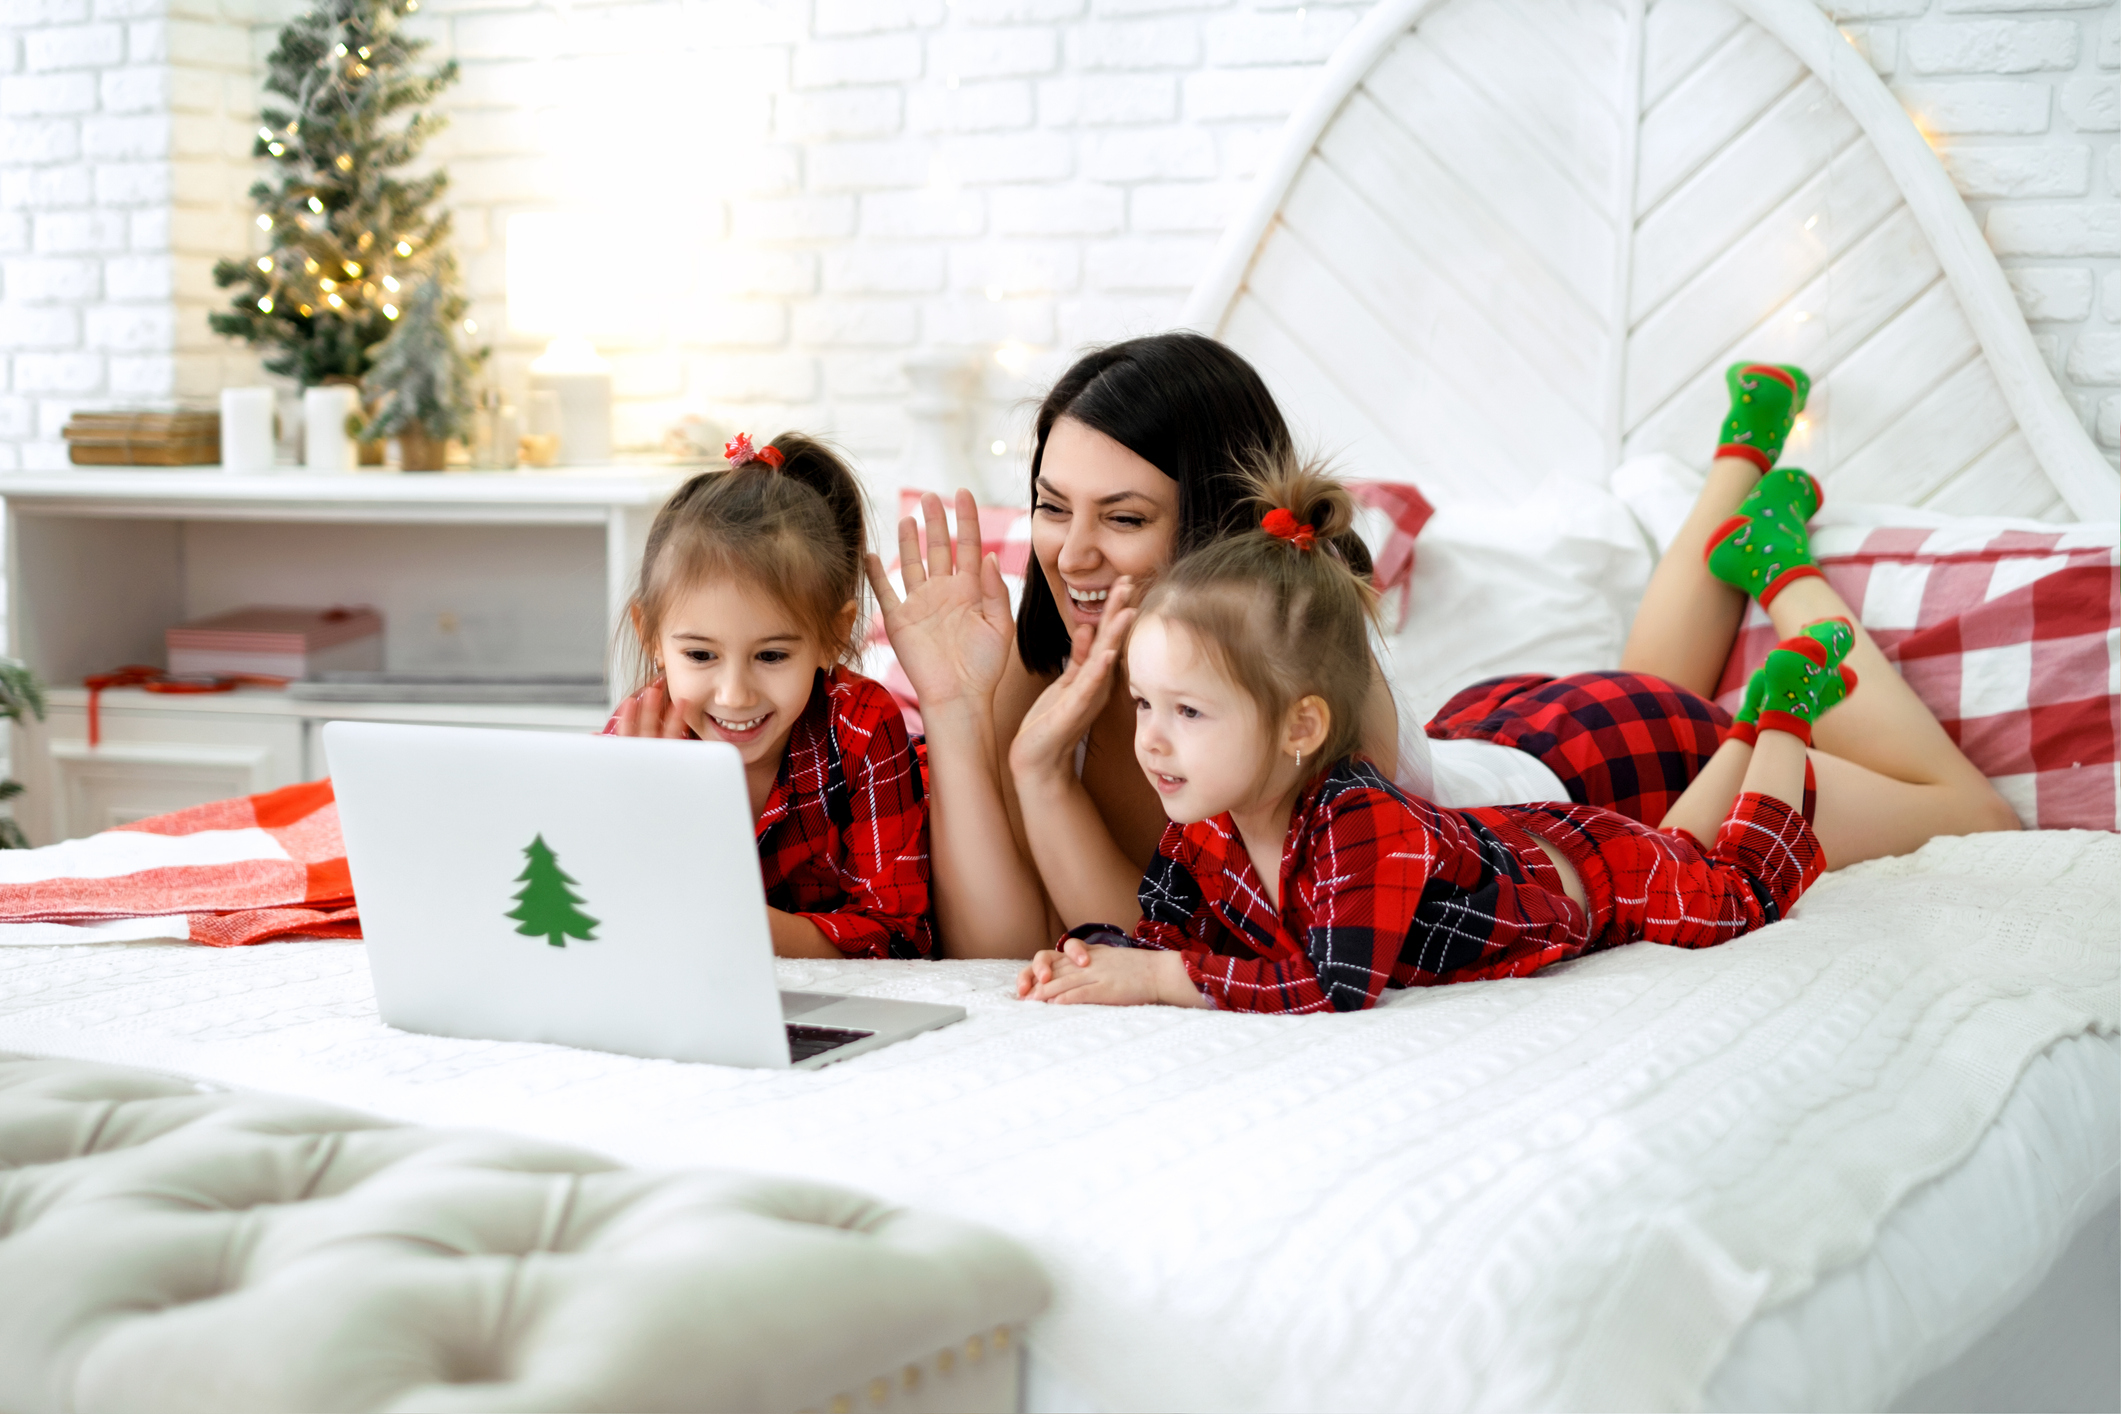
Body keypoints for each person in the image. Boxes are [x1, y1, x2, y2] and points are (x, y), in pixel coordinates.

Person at [873, 343, 2017, 959]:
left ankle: (1785, 570)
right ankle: (1739, 475)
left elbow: (1167, 935)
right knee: (1656, 683)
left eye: (1124, 517)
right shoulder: (1051, 650)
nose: (1072, 553)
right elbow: (997, 950)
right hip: (1504, 730)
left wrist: (1032, 773)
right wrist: (970, 726)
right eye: (1050, 504)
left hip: (1590, 792)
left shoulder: (1285, 687)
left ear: (1218, 524)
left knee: (1973, 816)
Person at [1013, 458, 1883, 1014]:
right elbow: (1172, 937)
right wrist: (1096, 959)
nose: (1152, 743)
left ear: (1298, 727)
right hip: (1538, 818)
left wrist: (1163, 983)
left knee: (1735, 887)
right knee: (1688, 847)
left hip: (1598, 875)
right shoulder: (1204, 836)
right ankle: (1761, 717)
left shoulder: (1353, 819)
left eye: (1188, 712)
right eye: (1141, 706)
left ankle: (1781, 721)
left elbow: (1333, 982)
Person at [607, 432, 933, 960]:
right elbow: (603, 908)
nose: (735, 696)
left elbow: (899, 937)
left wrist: (730, 920)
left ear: (833, 635)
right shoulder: (642, 733)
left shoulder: (863, 727)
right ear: (652, 637)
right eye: (700, 656)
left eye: (772, 656)